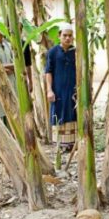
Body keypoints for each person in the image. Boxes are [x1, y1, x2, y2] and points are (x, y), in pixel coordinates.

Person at [0, 24, 33, 127]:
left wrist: (7, 67)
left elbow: (20, 65)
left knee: (13, 111)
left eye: (1, 28)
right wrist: (6, 67)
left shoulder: (8, 44)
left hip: (12, 82)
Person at [45, 23, 77, 151]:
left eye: (70, 36)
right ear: (59, 36)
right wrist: (49, 90)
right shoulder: (52, 52)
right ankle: (59, 144)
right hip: (57, 89)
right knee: (58, 112)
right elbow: (48, 72)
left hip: (72, 90)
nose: (67, 38)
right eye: (65, 35)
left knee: (71, 112)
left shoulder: (75, 52)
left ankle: (71, 143)